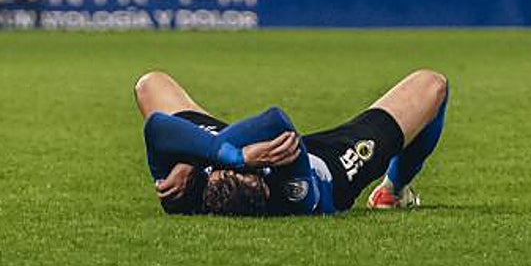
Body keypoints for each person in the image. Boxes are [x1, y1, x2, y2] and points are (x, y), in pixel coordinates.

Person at [135, 68, 449, 216]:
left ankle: (212, 147)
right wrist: (237, 156)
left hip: (230, 148)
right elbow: (275, 122)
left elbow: (157, 127)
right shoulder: (293, 194)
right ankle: (391, 192)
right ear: (263, 182)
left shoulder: (182, 194)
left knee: (150, 85)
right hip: (330, 166)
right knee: (432, 86)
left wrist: (198, 158)